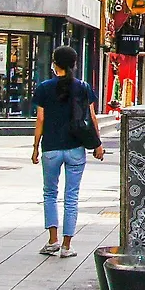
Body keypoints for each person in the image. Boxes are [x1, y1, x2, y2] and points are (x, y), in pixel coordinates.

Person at [32, 45, 106, 258]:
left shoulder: (44, 88)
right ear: (74, 64)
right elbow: (92, 117)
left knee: (50, 193)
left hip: (51, 148)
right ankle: (67, 246)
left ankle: (52, 241)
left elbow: (40, 120)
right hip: (75, 149)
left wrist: (35, 147)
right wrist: (98, 144)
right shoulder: (83, 87)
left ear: (55, 64)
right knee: (71, 196)